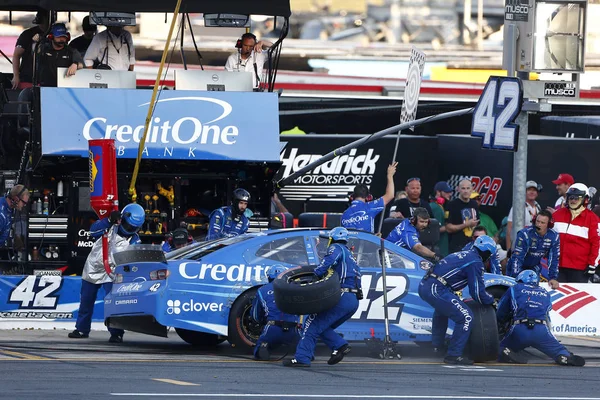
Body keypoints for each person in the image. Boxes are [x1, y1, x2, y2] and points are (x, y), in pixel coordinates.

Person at [283, 227, 361, 367]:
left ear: (333, 238)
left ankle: (302, 358)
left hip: (342, 295)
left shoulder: (336, 248)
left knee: (311, 323)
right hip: (353, 300)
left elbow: (327, 263)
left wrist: (315, 276)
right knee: (320, 326)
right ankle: (338, 346)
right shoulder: (351, 255)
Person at [68, 203, 144, 343]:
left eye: (133, 228)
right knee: (86, 301)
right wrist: (108, 220)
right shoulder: (109, 226)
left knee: (113, 303)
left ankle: (116, 333)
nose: (129, 229)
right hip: (94, 268)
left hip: (113, 272)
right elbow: (92, 232)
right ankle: (81, 329)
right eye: (127, 225)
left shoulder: (135, 240)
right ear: (122, 218)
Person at [418, 235, 496, 365]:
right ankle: (453, 355)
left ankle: (437, 347)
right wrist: (491, 301)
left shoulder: (463, 254)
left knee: (441, 311)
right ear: (486, 253)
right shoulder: (475, 262)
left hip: (427, 284)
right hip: (436, 287)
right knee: (466, 317)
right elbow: (477, 292)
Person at [496, 270, 585, 366]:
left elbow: (501, 310)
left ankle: (505, 351)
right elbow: (547, 313)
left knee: (498, 348)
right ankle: (564, 356)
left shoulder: (515, 288)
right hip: (541, 329)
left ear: (520, 279)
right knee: (558, 349)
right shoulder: (545, 292)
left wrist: (500, 323)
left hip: (520, 328)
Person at [553, 183, 600, 283]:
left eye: (576, 198)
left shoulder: (593, 219)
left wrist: (592, 264)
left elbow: (597, 244)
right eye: (571, 197)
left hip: (580, 269)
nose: (573, 201)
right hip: (557, 267)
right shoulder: (557, 215)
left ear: (585, 199)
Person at [251, 265, 301, 360]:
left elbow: (255, 315)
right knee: (306, 351)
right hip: (293, 329)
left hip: (272, 328)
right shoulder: (296, 288)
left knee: (260, 348)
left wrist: (262, 323)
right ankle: (303, 352)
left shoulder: (262, 290)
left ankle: (264, 346)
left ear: (269, 277)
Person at [507, 210, 560, 288]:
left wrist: (553, 278)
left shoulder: (554, 236)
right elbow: (517, 258)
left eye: (542, 223)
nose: (539, 224)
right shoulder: (525, 234)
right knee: (515, 290)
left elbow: (554, 258)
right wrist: (516, 277)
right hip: (516, 267)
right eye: (537, 221)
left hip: (534, 267)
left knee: (534, 291)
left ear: (549, 224)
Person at [341, 162, 397, 233]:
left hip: (349, 243)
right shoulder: (370, 206)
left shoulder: (345, 214)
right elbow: (390, 195)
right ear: (368, 197)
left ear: (352, 197)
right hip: (365, 243)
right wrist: (390, 175)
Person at [36, 23, 85, 87]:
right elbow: (34, 56)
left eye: (64, 37)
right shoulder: (43, 49)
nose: (62, 39)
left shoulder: (71, 51)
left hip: (65, 87)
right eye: (59, 37)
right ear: (51, 36)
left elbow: (83, 65)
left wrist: (76, 64)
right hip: (45, 87)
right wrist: (36, 43)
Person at [11, 10, 50, 89]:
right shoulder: (27, 34)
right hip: (28, 79)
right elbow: (16, 55)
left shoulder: (56, 35)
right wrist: (16, 76)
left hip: (49, 80)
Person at [445, 179, 480, 253]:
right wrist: (466, 224)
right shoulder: (451, 205)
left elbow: (477, 224)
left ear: (472, 189)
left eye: (468, 188)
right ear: (458, 189)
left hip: (472, 246)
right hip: (456, 247)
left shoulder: (474, 204)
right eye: (463, 188)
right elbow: (448, 228)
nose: (466, 191)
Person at [506, 181, 541, 250]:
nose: (532, 192)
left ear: (537, 193)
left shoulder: (538, 207)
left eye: (534, 190)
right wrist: (509, 249)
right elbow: (509, 230)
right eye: (529, 190)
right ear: (524, 192)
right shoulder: (517, 206)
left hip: (535, 246)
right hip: (520, 245)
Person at [429, 181, 453, 256]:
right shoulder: (435, 207)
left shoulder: (439, 206)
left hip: (441, 247)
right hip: (439, 248)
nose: (450, 194)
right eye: (446, 192)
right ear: (438, 192)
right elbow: (435, 229)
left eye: (450, 192)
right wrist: (451, 227)